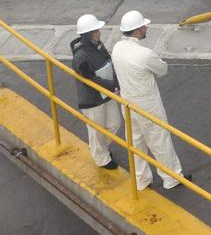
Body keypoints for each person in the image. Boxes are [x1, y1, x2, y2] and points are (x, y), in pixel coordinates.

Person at [110, 10, 190, 191]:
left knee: (136, 142)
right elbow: (162, 70)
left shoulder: (116, 48)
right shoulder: (144, 54)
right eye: (143, 26)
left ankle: (142, 179)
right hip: (147, 104)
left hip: (127, 102)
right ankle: (172, 178)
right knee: (159, 139)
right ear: (137, 31)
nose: (146, 28)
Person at [70, 13, 122, 170]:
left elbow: (110, 62)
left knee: (115, 124)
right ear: (87, 35)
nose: (99, 33)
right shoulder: (80, 57)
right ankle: (101, 158)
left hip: (106, 94)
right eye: (96, 31)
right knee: (96, 131)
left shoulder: (99, 46)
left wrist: (115, 84)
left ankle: (98, 149)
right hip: (92, 100)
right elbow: (90, 79)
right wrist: (113, 86)